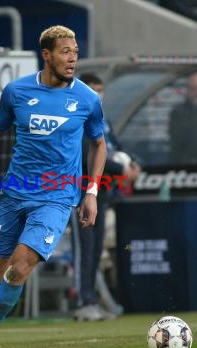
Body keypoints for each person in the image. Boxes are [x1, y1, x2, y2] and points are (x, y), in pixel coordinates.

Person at [0, 25, 107, 348]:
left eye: (75, 52)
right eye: (65, 52)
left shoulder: (87, 99)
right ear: (46, 55)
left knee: (19, 268)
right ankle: (6, 298)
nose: (72, 58)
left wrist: (90, 192)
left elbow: (98, 144)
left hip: (57, 197)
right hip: (14, 194)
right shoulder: (17, 92)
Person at [73, 73, 140, 322]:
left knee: (97, 248)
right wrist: (119, 167)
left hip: (101, 195)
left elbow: (117, 147)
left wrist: (134, 164)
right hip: (79, 193)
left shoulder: (103, 120)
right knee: (85, 248)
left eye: (101, 89)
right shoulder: (77, 119)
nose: (99, 94)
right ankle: (83, 302)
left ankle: (91, 300)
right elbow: (84, 152)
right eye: (94, 89)